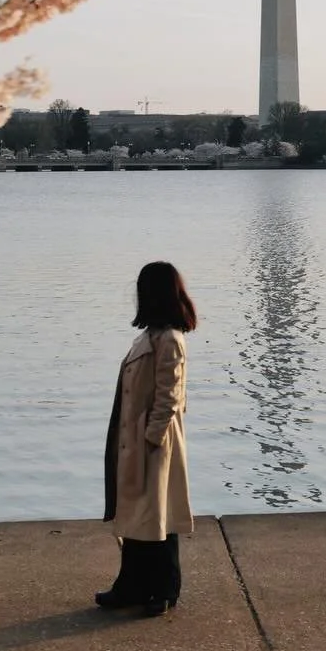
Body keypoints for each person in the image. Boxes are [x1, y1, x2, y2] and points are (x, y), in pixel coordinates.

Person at [98, 261, 196, 616]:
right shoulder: (150, 336)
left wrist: (151, 438)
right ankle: (132, 585)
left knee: (159, 520)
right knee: (138, 516)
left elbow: (170, 396)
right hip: (137, 442)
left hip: (154, 446)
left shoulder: (169, 340)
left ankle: (164, 590)